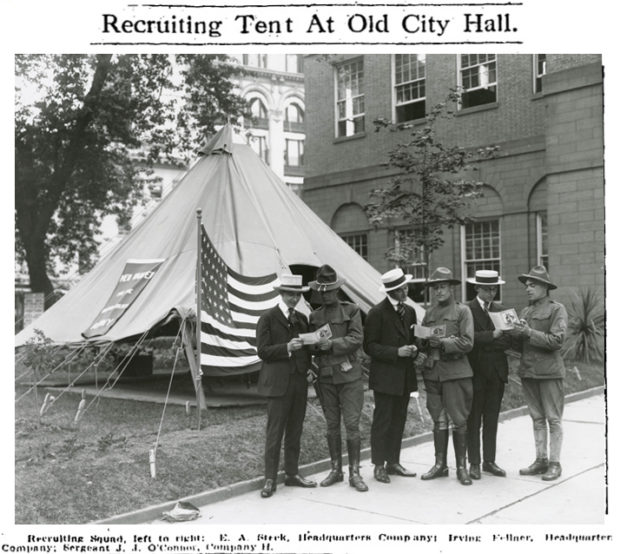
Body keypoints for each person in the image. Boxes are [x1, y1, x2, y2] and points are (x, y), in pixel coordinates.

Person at [256, 274, 317, 498]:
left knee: (295, 430)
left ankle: (292, 474)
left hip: (299, 382)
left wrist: (311, 363)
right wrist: (287, 348)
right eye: (290, 294)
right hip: (277, 385)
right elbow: (262, 351)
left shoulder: (302, 318)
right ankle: (270, 478)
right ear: (281, 293)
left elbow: (308, 350)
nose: (294, 298)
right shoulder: (268, 318)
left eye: (297, 294)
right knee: (275, 432)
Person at [308, 264, 368, 492]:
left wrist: (331, 344)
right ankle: (336, 470)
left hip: (349, 376)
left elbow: (356, 339)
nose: (326, 294)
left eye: (330, 290)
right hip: (325, 378)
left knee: (352, 424)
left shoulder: (351, 310)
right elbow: (311, 347)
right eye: (322, 291)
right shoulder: (314, 316)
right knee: (332, 425)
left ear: (337, 289)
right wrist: (312, 348)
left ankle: (355, 472)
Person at [507, 265, 568, 482]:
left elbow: (557, 341)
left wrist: (528, 332)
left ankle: (555, 463)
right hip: (529, 372)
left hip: (550, 373)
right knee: (537, 419)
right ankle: (540, 459)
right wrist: (514, 332)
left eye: (532, 285)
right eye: (527, 286)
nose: (527, 289)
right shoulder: (526, 311)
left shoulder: (556, 309)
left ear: (545, 287)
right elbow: (518, 346)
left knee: (553, 419)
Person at [418, 267, 475, 486]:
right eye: (435, 288)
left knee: (459, 420)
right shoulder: (429, 313)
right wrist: (421, 342)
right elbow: (423, 338)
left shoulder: (462, 312)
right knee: (438, 420)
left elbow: (468, 342)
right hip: (433, 373)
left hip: (455, 373)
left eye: (442, 287)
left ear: (451, 288)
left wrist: (442, 343)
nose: (438, 291)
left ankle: (462, 467)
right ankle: (440, 464)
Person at [364, 268, 421, 484]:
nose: (406, 291)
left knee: (399, 419)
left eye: (405, 287)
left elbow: (414, 337)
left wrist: (415, 348)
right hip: (385, 377)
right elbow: (369, 346)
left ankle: (393, 462)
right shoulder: (376, 313)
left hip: (405, 375)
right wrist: (395, 352)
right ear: (392, 291)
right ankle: (379, 465)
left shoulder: (410, 311)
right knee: (383, 421)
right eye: (401, 289)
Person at [465, 269, 512, 480]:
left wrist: (486, 342)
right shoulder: (466, 310)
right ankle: (474, 462)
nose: (491, 292)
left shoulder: (502, 311)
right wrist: (491, 336)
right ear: (477, 288)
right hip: (475, 372)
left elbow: (508, 341)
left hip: (496, 373)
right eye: (487, 288)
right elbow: (467, 339)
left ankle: (489, 461)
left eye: (494, 288)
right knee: (474, 419)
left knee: (491, 419)